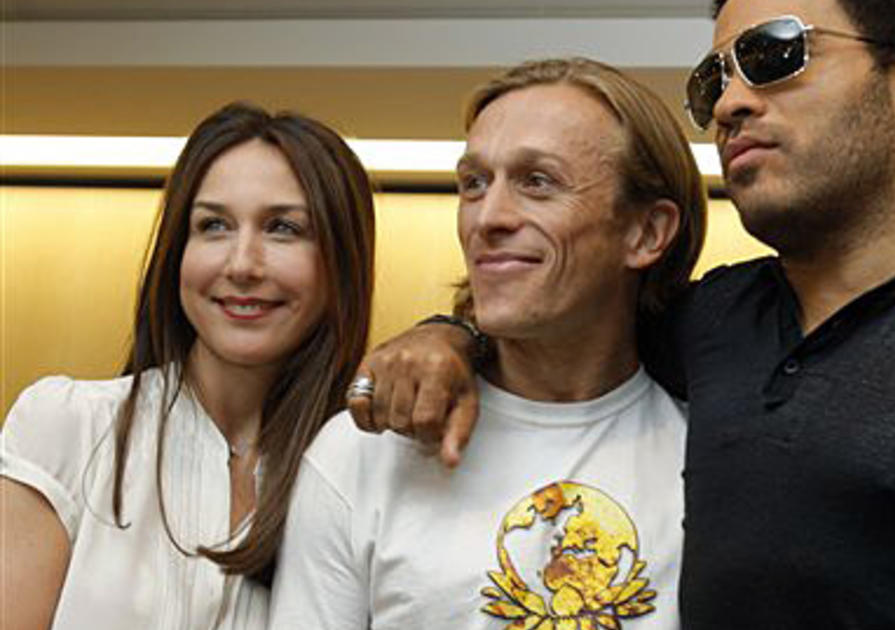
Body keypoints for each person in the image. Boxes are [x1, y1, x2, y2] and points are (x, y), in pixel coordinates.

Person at [350, 1, 895, 628]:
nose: (729, 103)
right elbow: (556, 312)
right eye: (712, 79)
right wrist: (447, 334)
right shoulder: (708, 323)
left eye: (774, 54)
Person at [267, 58, 704, 630]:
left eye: (537, 182)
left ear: (645, 233)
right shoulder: (368, 448)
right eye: (473, 183)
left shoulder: (710, 456)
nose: (488, 217)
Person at [0, 102, 376, 630]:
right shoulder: (66, 428)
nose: (242, 264)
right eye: (214, 225)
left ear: (341, 261)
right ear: (178, 249)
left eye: (284, 228)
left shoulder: (367, 475)